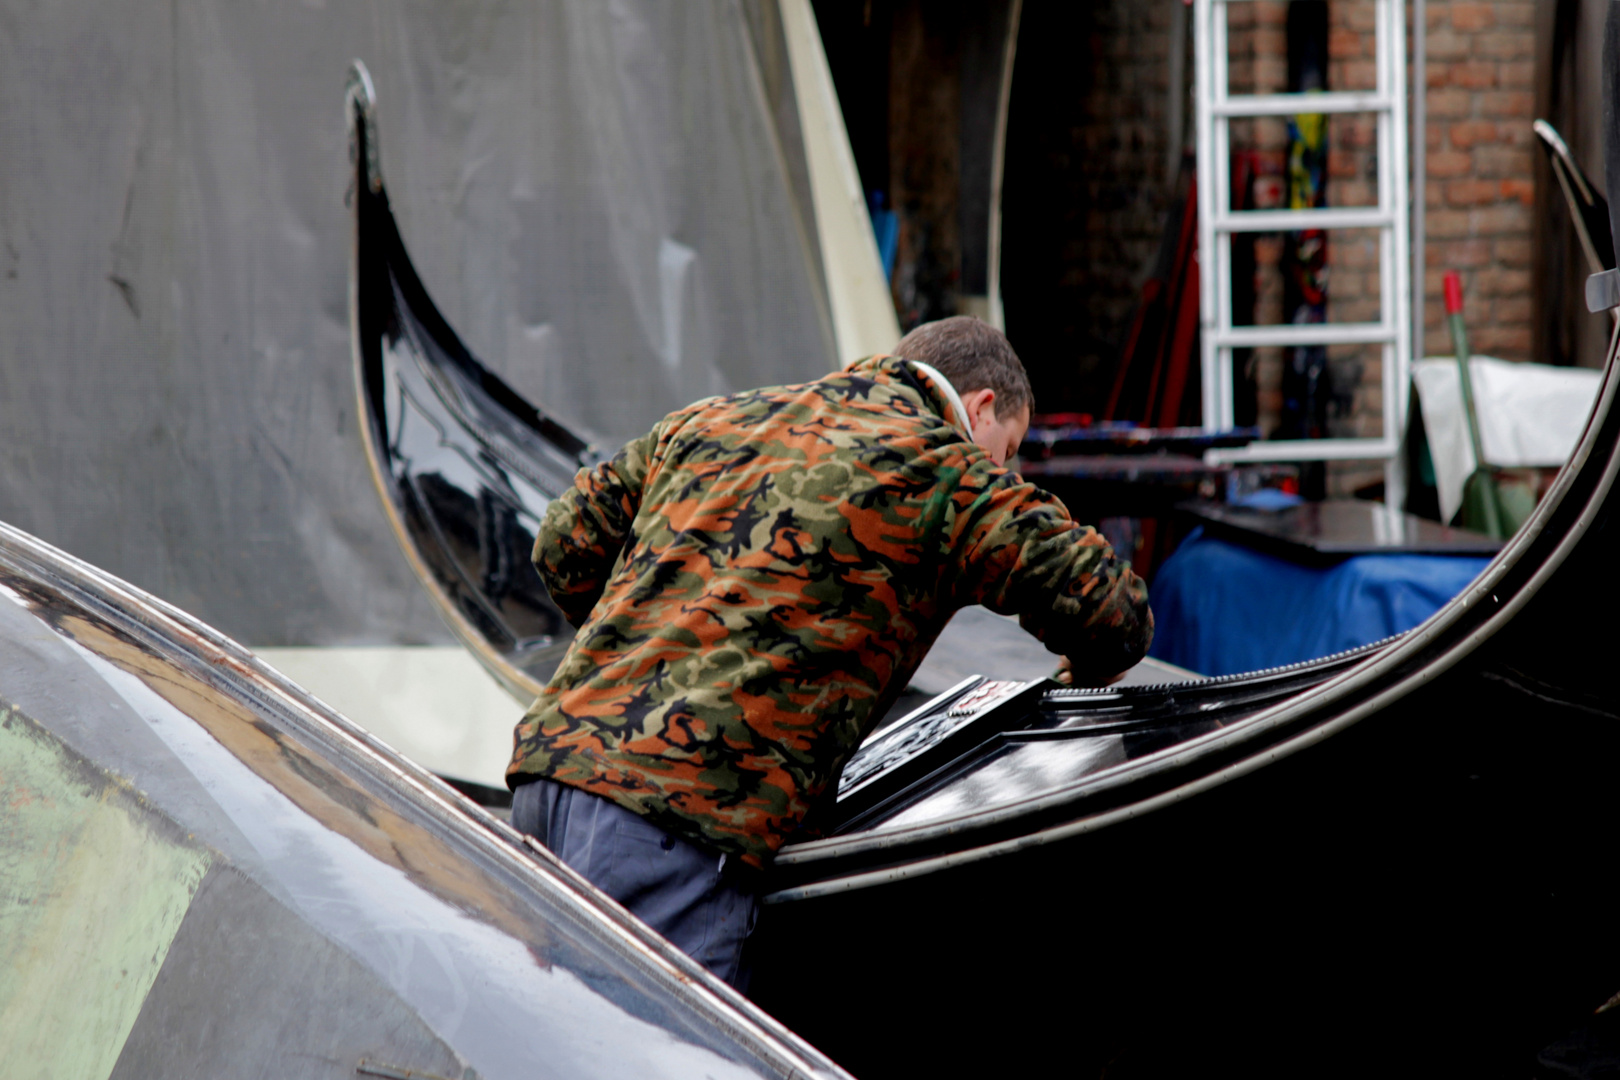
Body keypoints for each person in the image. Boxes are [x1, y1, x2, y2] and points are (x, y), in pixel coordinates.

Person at [507, 316, 1152, 986]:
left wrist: (644, 632)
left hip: (548, 780)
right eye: (1009, 448)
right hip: (678, 823)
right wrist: (1092, 670)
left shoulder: (719, 417)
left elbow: (562, 544)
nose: (1003, 466)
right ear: (983, 407)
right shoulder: (946, 467)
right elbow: (1111, 610)